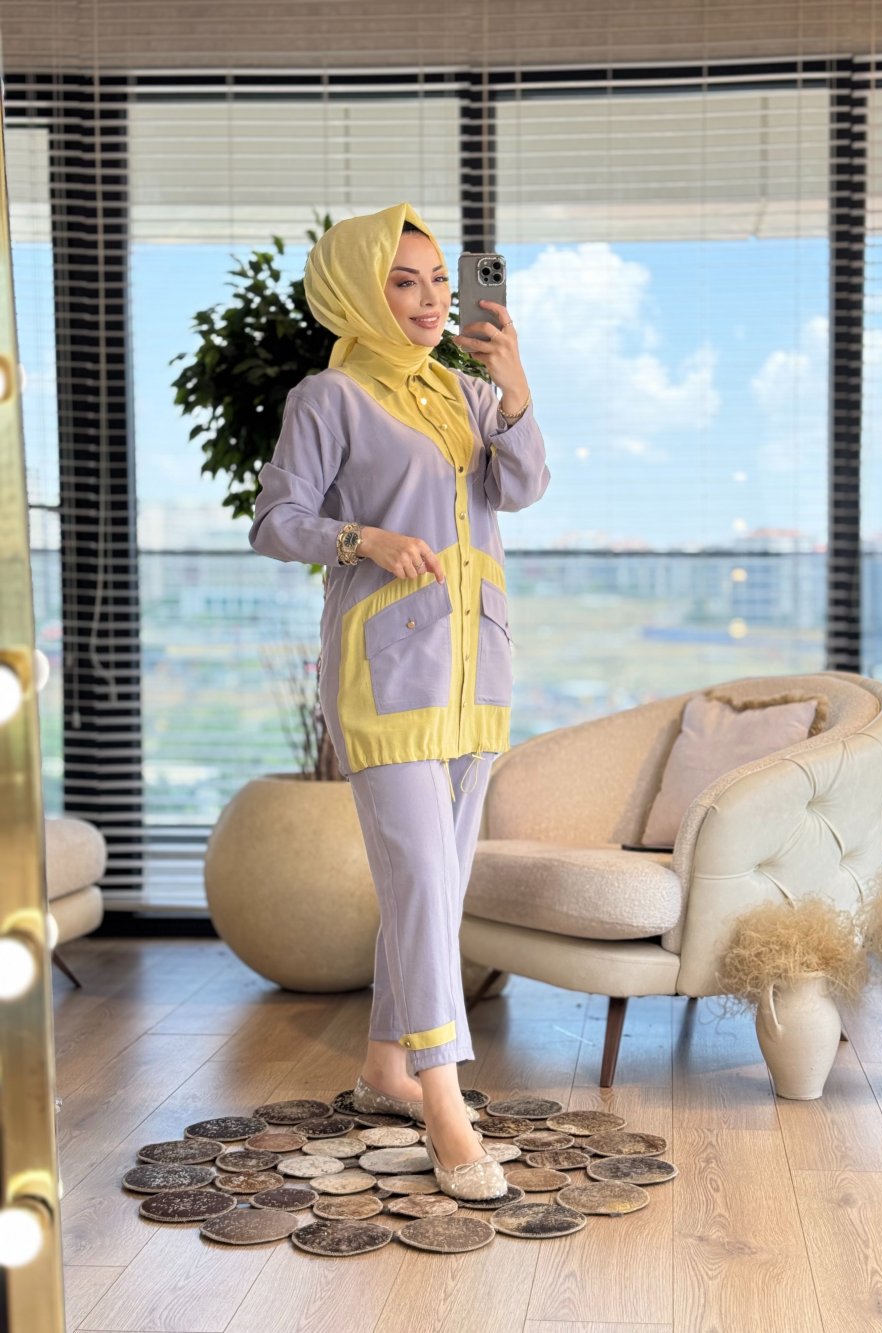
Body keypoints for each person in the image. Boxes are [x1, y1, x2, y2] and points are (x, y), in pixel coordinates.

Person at [248, 201, 550, 1199]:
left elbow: (522, 488)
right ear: (358, 290)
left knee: (437, 883)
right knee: (421, 876)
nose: (428, 301)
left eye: (438, 281)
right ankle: (444, 1104)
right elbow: (276, 519)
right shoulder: (328, 397)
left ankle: (386, 1064)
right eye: (403, 281)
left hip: (476, 667)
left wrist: (514, 387)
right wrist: (362, 538)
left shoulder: (469, 393)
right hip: (385, 671)